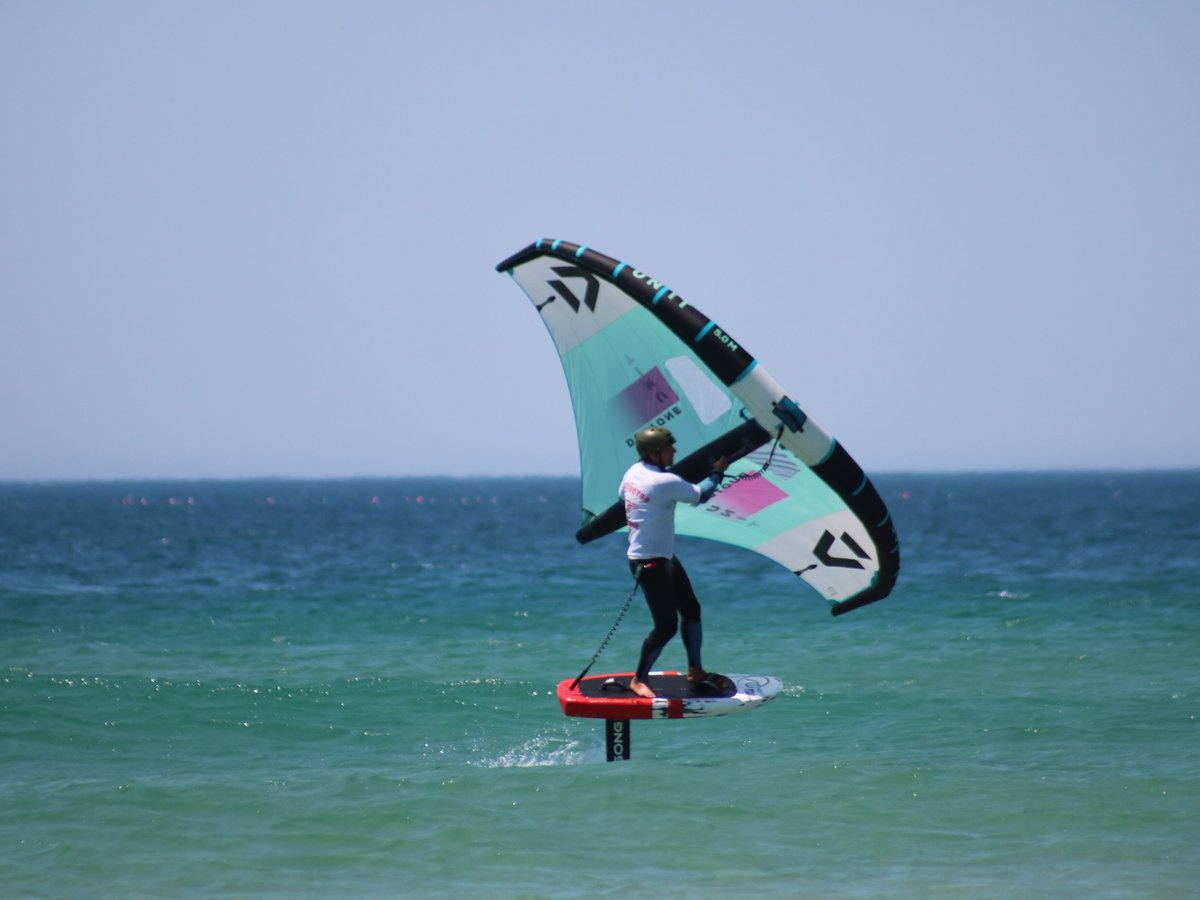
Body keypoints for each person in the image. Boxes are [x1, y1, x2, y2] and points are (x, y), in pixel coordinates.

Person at [620, 426, 731, 699]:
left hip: (663, 555)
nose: (675, 451)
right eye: (670, 447)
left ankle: (695, 669)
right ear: (656, 452)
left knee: (692, 608)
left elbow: (622, 496)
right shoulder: (663, 482)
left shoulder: (632, 474)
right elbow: (701, 494)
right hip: (649, 563)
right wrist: (718, 471)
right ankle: (639, 679)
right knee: (666, 626)